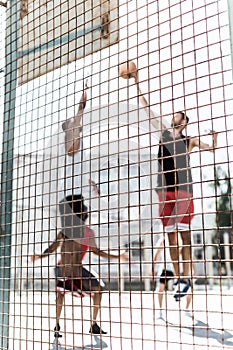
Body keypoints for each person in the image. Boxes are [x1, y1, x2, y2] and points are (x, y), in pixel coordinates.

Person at [130, 67, 218, 299]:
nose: (173, 116)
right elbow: (146, 109)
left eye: (177, 115)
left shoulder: (188, 140)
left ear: (184, 121)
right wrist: (137, 81)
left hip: (184, 193)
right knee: (171, 241)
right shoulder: (164, 134)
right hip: (164, 193)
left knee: (185, 238)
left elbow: (212, 148)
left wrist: (215, 137)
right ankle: (179, 280)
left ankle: (186, 279)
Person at [31, 194, 128, 337]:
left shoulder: (85, 232)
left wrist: (117, 256)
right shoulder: (68, 232)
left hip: (73, 269)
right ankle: (57, 324)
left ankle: (92, 324)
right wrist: (39, 256)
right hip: (64, 269)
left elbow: (96, 251)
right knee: (62, 292)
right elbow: (52, 248)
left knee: (97, 288)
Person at [152, 235, 195, 318]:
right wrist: (153, 269)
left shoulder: (182, 239)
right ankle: (160, 310)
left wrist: (194, 270)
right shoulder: (163, 240)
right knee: (161, 287)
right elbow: (156, 254)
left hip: (181, 268)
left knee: (189, 289)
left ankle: (187, 309)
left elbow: (189, 256)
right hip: (167, 267)